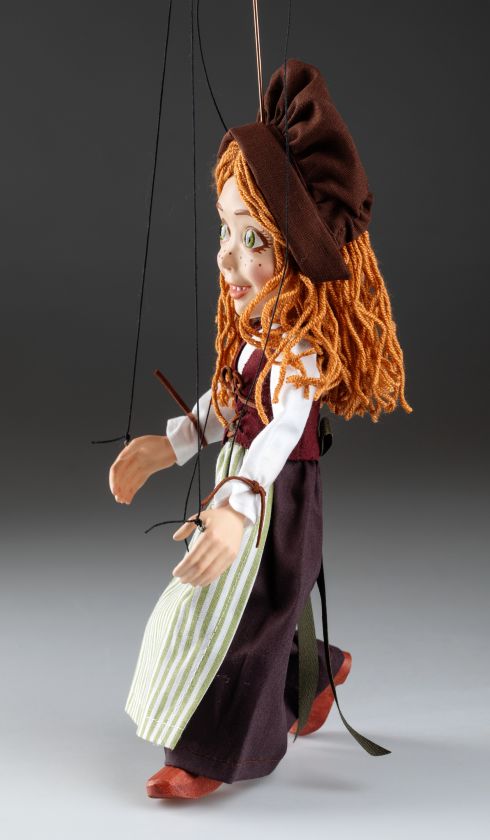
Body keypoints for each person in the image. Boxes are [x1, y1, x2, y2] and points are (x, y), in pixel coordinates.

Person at [109, 59, 412, 800]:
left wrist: (238, 505)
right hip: (244, 488)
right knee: (251, 610)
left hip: (279, 499)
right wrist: (171, 444)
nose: (228, 256)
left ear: (299, 250)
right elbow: (227, 406)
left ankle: (210, 755)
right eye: (226, 229)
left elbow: (280, 431)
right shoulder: (254, 340)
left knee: (249, 620)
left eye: (253, 238)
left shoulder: (300, 352)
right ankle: (315, 675)